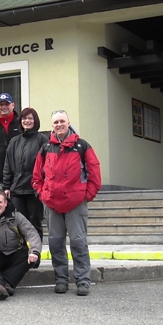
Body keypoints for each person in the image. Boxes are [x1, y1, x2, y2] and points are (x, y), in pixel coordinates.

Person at [32, 110, 102, 296]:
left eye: (62, 121)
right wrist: (42, 195)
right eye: (56, 122)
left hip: (75, 204)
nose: (59, 125)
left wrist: (86, 196)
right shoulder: (46, 148)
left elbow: (94, 173)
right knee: (55, 243)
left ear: (68, 123)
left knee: (78, 242)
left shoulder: (82, 146)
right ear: (52, 125)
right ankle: (61, 279)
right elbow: (37, 176)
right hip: (52, 204)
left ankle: (83, 280)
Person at [0, 190, 42, 297]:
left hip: (14, 254)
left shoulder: (17, 216)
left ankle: (5, 283)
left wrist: (34, 251)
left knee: (29, 255)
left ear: (5, 203)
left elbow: (31, 233)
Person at [3, 107, 49, 240]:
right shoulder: (14, 141)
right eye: (24, 118)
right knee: (18, 223)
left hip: (35, 189)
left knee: (35, 222)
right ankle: (22, 251)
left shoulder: (42, 140)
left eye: (30, 118)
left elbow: (48, 164)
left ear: (35, 121)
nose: (27, 121)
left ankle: (35, 250)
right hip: (17, 188)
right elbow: (8, 165)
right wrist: (6, 186)